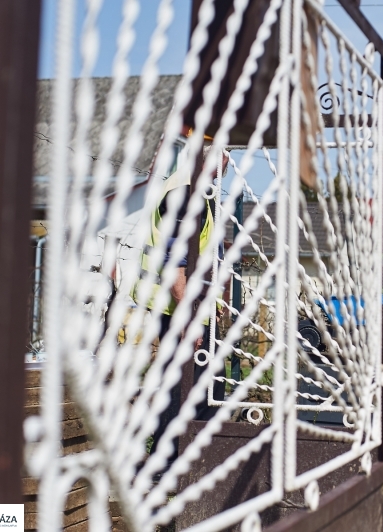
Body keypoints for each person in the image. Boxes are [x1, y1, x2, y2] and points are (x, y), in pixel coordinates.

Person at [133, 133, 228, 468]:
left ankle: (176, 460)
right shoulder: (185, 193)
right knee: (187, 388)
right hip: (181, 311)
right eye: (224, 153)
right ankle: (172, 463)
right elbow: (176, 266)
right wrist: (191, 319)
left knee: (187, 385)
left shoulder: (190, 188)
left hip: (181, 309)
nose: (227, 162)